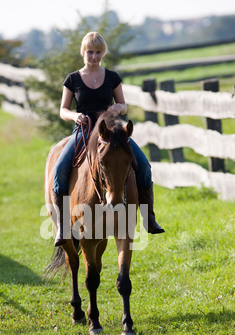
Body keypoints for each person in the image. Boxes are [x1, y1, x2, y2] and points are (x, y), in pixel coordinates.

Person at [52, 31, 164, 246]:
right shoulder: (72, 79)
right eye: (90, 52)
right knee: (60, 169)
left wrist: (116, 108)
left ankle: (149, 216)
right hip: (84, 132)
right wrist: (75, 116)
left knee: (143, 165)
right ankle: (63, 227)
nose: (94, 56)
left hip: (111, 132)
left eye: (98, 52)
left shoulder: (112, 77)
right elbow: (63, 110)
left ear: (103, 53)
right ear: (83, 52)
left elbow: (123, 105)